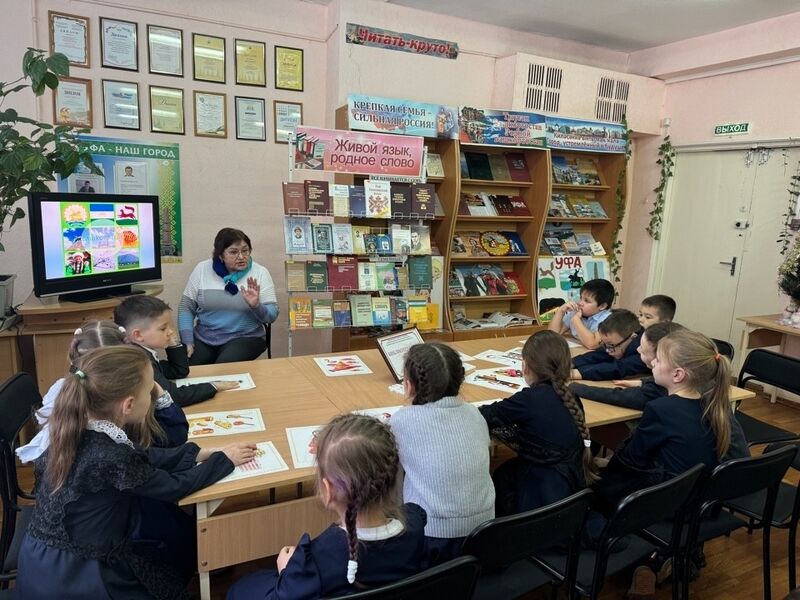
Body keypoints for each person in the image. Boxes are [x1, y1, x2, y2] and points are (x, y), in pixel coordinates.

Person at [16, 346, 256, 600]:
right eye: (149, 391)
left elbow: (142, 456)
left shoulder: (74, 429)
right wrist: (224, 460)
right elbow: (174, 487)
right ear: (129, 405)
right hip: (79, 576)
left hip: (39, 560)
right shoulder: (111, 455)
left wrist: (199, 453)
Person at [226, 414, 427, 599]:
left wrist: (288, 571)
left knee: (240, 588)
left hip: (295, 584)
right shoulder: (416, 524)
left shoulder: (314, 562)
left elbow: (286, 594)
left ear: (328, 490)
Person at [594, 329, 748, 513]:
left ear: (677, 375)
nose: (652, 363)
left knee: (594, 486)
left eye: (658, 360)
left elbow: (633, 459)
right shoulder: (712, 405)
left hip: (669, 505)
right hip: (702, 501)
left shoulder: (660, 409)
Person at [16, 320, 189, 461]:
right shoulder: (105, 410)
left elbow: (171, 443)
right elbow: (171, 442)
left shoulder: (71, 392)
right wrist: (157, 392)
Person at [390, 343, 494, 566]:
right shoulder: (475, 414)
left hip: (432, 538)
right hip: (484, 534)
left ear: (408, 385)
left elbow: (392, 484)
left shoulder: (402, 421)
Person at [479, 330, 596, 516]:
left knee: (501, 474)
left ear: (525, 366)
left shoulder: (529, 399)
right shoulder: (571, 396)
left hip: (538, 493)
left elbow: (485, 415)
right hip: (568, 486)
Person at [115, 296, 239, 407]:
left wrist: (172, 344)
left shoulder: (141, 352)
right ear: (138, 335)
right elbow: (173, 396)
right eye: (163, 328)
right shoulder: (139, 361)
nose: (170, 331)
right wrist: (213, 386)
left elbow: (178, 371)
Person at [178, 228, 279, 365]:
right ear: (220, 255)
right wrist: (187, 341)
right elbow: (186, 308)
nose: (241, 257)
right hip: (204, 337)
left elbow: (271, 316)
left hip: (245, 337)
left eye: (245, 250)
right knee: (187, 368)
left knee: (224, 367)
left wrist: (256, 306)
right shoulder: (202, 269)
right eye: (233, 252)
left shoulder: (260, 272)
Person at [570, 321, 685, 410]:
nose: (638, 349)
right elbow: (599, 355)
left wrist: (574, 387)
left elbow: (618, 396)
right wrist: (644, 382)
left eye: (643, 350)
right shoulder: (679, 373)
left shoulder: (662, 388)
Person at [571, 309, 649, 381]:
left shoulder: (645, 351)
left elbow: (617, 368)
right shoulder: (617, 342)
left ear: (633, 337)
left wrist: (574, 373)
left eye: (611, 345)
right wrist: (568, 364)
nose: (608, 350)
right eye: (604, 344)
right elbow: (597, 355)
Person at [548, 278, 614, 349]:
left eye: (587, 301)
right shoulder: (575, 312)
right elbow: (552, 335)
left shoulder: (609, 319)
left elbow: (592, 344)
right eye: (581, 298)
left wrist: (576, 320)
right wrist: (560, 311)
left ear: (602, 306)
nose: (580, 303)